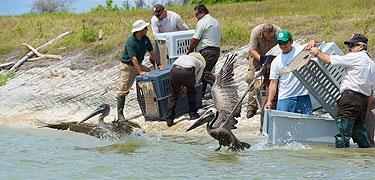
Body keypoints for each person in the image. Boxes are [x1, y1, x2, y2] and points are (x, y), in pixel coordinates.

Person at [307, 33, 375, 148]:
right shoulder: (372, 64)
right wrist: (366, 109)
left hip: (350, 98)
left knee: (343, 134)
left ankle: (341, 160)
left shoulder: (356, 56)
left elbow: (329, 60)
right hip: (363, 101)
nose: (349, 48)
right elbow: (371, 92)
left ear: (361, 46)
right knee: (359, 132)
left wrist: (317, 52)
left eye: (352, 45)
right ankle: (367, 156)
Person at [117, 19, 162, 122]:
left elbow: (152, 52)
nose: (147, 29)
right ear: (139, 30)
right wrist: (140, 71)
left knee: (151, 77)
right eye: (145, 28)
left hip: (138, 64)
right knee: (123, 89)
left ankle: (153, 107)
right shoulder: (130, 42)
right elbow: (133, 58)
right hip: (128, 66)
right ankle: (120, 115)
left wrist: (159, 64)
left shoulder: (145, 39)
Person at [264, 30, 312, 115]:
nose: (283, 46)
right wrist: (269, 101)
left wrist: (312, 42)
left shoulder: (300, 50)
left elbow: (316, 43)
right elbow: (273, 83)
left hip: (303, 96)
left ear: (291, 41)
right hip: (285, 98)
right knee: (283, 125)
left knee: (307, 124)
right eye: (280, 43)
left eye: (285, 43)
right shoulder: (276, 61)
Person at [246, 23, 281, 118]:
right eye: (267, 38)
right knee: (250, 78)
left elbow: (284, 46)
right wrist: (262, 60)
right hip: (257, 55)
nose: (269, 39)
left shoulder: (279, 32)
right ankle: (251, 106)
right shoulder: (255, 32)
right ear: (262, 33)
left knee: (274, 79)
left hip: (273, 57)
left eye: (271, 38)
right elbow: (252, 50)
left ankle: (274, 102)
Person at [187, 3, 222, 99]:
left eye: (196, 15)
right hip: (216, 50)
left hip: (207, 50)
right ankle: (202, 93)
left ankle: (220, 87)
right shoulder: (215, 21)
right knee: (206, 71)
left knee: (204, 73)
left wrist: (189, 51)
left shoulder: (202, 22)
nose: (196, 17)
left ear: (202, 13)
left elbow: (195, 39)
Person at [165, 53, 206, 127]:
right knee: (191, 92)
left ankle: (169, 119)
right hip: (187, 70)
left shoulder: (183, 57)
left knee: (173, 95)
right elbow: (196, 80)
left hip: (174, 70)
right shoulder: (201, 64)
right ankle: (193, 114)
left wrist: (182, 86)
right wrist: (187, 87)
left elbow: (176, 71)